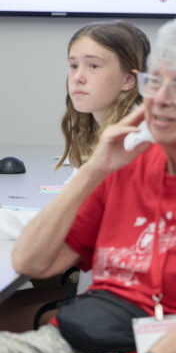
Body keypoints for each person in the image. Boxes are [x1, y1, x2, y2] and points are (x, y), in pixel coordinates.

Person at [3, 18, 176, 353]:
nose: (159, 99)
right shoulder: (124, 163)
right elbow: (30, 262)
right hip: (80, 337)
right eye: (155, 82)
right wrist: (94, 169)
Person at [0, 20, 150, 239]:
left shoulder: (134, 141)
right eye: (73, 65)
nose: (78, 77)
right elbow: (65, 209)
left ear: (128, 79)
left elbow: (67, 224)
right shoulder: (110, 131)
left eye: (93, 66)